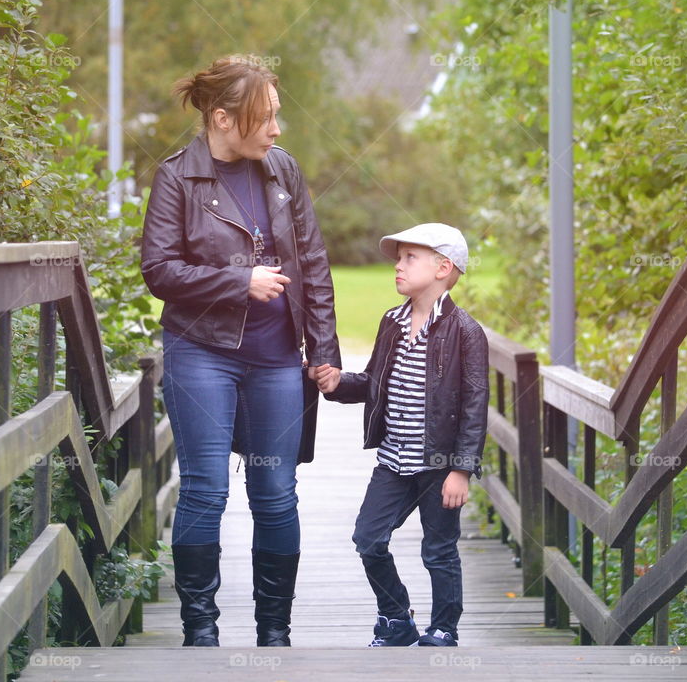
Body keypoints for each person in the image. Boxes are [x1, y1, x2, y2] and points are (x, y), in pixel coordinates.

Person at [141, 55, 341, 648]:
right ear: (223, 119)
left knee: (276, 491)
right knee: (206, 488)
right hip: (200, 350)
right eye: (267, 118)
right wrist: (238, 281)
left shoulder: (283, 171)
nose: (277, 130)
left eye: (278, 117)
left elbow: (313, 263)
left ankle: (273, 634)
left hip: (278, 357)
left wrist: (323, 349)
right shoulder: (178, 177)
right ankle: (200, 631)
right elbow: (158, 270)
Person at [319, 222, 489, 647]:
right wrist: (339, 383)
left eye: (409, 257)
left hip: (438, 466)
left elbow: (474, 406)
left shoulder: (465, 332)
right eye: (399, 258)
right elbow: (376, 382)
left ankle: (444, 627)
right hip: (394, 462)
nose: (397, 265)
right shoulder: (391, 322)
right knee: (368, 539)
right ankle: (397, 618)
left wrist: (461, 470)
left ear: (442, 267)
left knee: (439, 551)